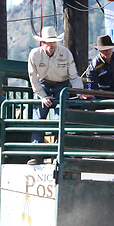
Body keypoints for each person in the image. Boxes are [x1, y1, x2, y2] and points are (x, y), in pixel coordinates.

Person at [27, 26, 93, 165]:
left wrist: (79, 92)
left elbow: (73, 76)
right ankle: (36, 155)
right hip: (43, 84)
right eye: (48, 43)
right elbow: (33, 78)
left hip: (62, 85)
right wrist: (42, 96)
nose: (51, 46)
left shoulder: (65, 53)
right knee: (38, 119)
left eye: (53, 43)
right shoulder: (34, 55)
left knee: (60, 120)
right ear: (43, 43)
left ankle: (57, 155)